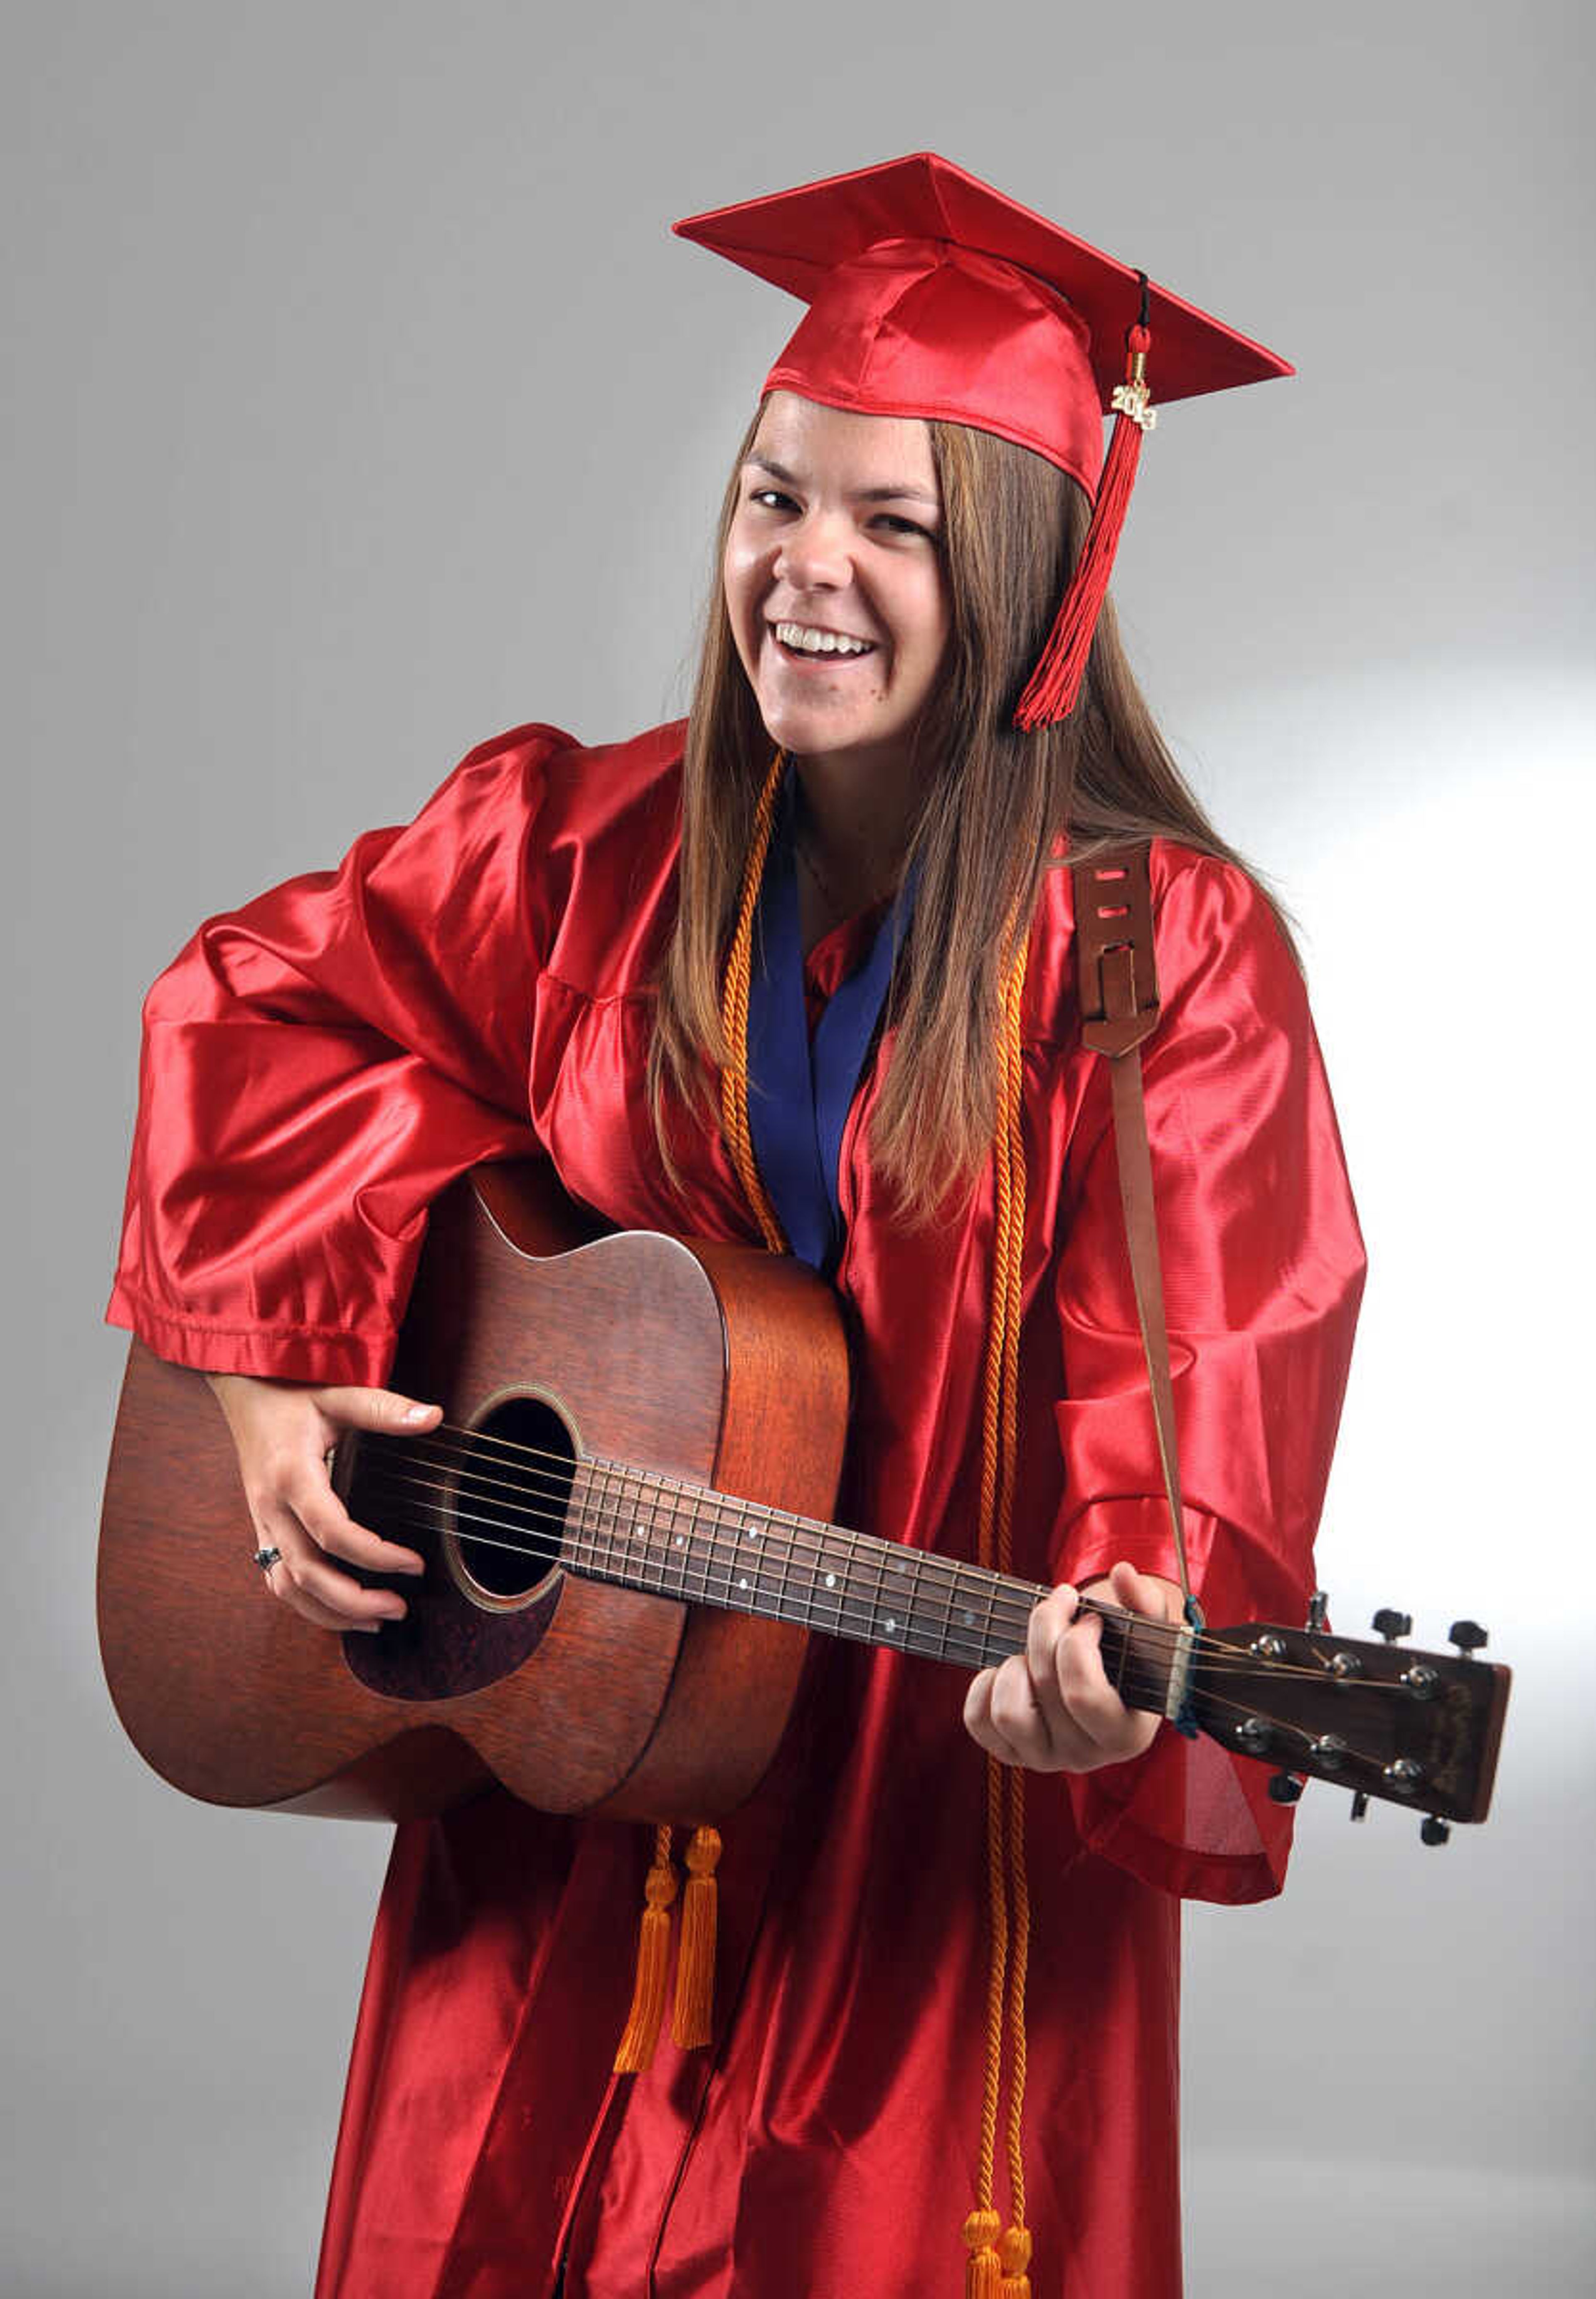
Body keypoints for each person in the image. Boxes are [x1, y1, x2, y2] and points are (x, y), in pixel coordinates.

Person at [107, 153, 1366, 2298]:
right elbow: (260, 1003)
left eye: (895, 522)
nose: (806, 567)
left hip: (911, 1804)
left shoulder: (1158, 966)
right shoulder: (574, 850)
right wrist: (271, 1371)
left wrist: (1121, 1658)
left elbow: (1208, 1384)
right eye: (774, 496)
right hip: (576, 1746)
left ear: (1037, 579)